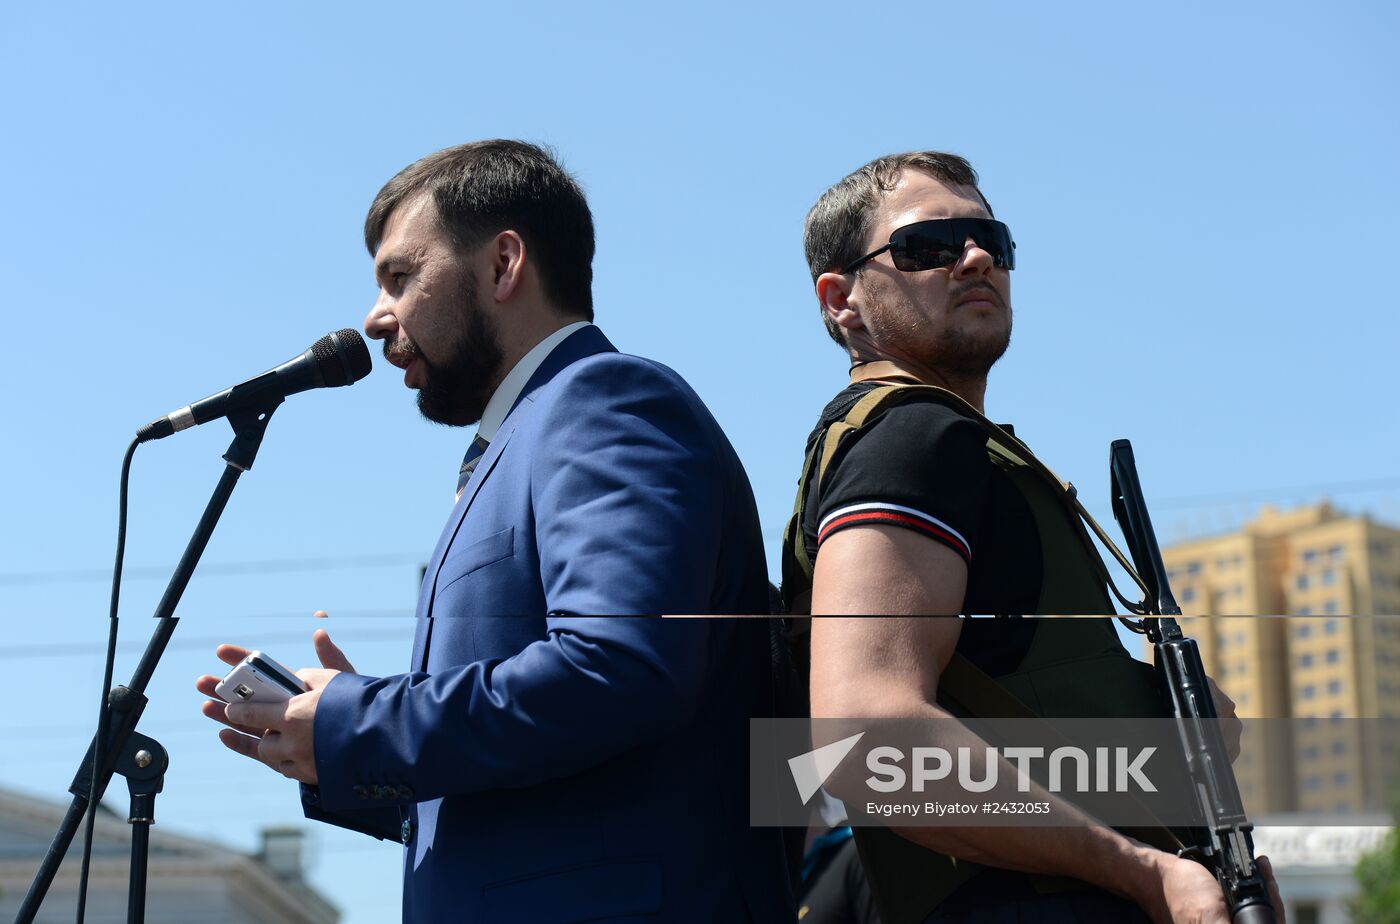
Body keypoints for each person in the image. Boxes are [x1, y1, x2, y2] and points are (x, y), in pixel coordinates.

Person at [195, 140, 794, 923]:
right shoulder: (518, 440)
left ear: (504, 263)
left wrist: (363, 719)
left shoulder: (605, 401)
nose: (376, 318)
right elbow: (545, 781)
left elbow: (619, 668)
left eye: (400, 277)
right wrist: (334, 748)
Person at [782, 152, 1282, 924]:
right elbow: (865, 733)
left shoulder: (946, 446)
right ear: (842, 299)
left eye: (991, 240)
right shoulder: (911, 440)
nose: (975, 257)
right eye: (928, 246)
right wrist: (1148, 873)